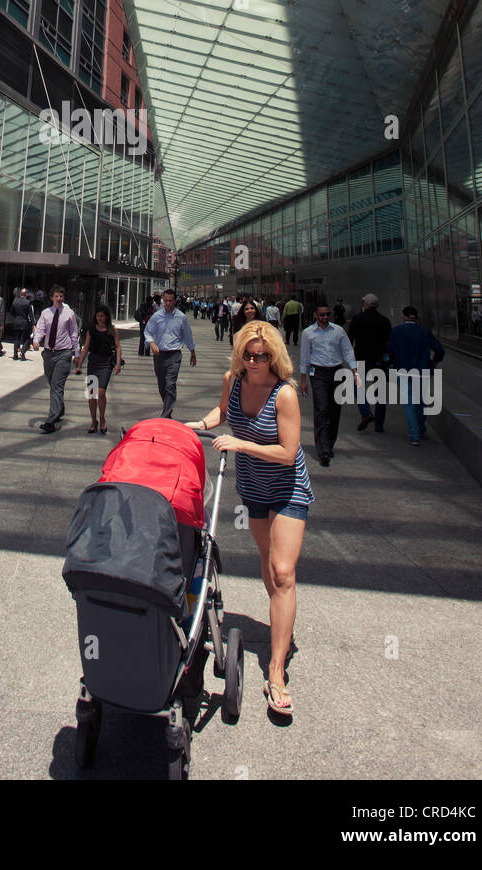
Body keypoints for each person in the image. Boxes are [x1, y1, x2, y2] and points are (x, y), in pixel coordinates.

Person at [186, 322, 312, 715]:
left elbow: (288, 452)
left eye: (262, 355)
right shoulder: (234, 380)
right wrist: (200, 426)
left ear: (274, 356)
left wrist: (242, 443)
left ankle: (276, 671)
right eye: (248, 354)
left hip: (288, 488)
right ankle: (281, 624)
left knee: (282, 571)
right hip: (254, 487)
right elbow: (223, 411)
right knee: (265, 562)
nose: (254, 361)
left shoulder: (285, 394)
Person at [299, 304, 359, 466]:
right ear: (315, 315)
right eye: (322, 315)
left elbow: (347, 351)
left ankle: (329, 443)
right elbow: (304, 357)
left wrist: (354, 371)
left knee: (334, 410)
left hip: (336, 372)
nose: (325, 317)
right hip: (317, 373)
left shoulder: (338, 331)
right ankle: (323, 450)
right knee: (321, 409)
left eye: (327, 314)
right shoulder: (308, 333)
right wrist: (303, 381)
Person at [387, 307, 445, 445]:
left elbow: (389, 350)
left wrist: (390, 363)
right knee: (420, 403)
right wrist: (434, 361)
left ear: (403, 316)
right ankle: (420, 429)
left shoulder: (396, 331)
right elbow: (439, 350)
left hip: (403, 370)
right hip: (422, 371)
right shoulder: (425, 332)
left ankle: (414, 435)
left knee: (408, 403)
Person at [32, 285, 79, 432]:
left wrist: (76, 353)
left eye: (61, 296)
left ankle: (51, 421)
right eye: (56, 296)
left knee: (57, 386)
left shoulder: (69, 314)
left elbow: (74, 333)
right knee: (53, 384)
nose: (59, 299)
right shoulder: (46, 313)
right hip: (48, 354)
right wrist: (36, 340)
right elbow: (40, 329)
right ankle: (59, 410)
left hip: (64, 353)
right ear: (52, 298)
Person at [144, 288, 196, 417]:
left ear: (175, 301)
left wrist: (192, 352)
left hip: (174, 355)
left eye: (170, 301)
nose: (167, 303)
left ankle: (165, 415)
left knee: (170, 384)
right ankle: (168, 409)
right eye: (165, 300)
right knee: (162, 385)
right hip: (159, 355)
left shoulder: (181, 317)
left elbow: (187, 335)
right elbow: (148, 331)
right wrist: (151, 343)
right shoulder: (157, 316)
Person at [347, 294, 392, 432]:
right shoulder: (385, 321)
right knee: (381, 393)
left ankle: (366, 412)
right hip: (380, 360)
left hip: (361, 358)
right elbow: (389, 342)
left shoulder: (358, 319)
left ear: (366, 304)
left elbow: (350, 338)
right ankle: (379, 425)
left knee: (357, 386)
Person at [76, 304, 121, 434]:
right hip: (93, 364)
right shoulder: (91, 330)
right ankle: (93, 421)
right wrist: (79, 363)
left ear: (106, 317)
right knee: (91, 395)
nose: (100, 318)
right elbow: (86, 347)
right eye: (98, 316)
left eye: (102, 316)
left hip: (105, 364)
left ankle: (102, 418)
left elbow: (117, 346)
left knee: (100, 392)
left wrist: (118, 363)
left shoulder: (112, 330)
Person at [10, 288, 35, 360]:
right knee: (28, 338)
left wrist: (16, 317)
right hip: (24, 322)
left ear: (20, 294)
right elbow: (31, 314)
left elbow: (12, 312)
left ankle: (15, 354)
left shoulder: (15, 302)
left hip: (17, 321)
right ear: (26, 294)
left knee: (16, 338)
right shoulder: (27, 302)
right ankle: (23, 352)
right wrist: (33, 324)